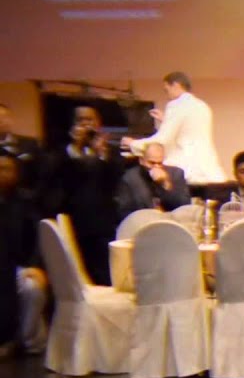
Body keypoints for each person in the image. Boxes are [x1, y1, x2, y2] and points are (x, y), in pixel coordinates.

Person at [47, 106, 122, 286]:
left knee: (105, 276)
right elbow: (55, 177)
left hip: (103, 224)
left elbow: (116, 179)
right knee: (76, 277)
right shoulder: (61, 151)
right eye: (81, 120)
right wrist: (76, 147)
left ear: (99, 124)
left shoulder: (110, 151)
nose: (86, 124)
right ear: (73, 125)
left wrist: (101, 153)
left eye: (90, 120)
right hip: (73, 222)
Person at [122, 72, 225, 196]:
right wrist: (166, 120)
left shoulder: (176, 105)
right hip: (208, 169)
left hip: (185, 170)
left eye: (167, 90)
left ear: (175, 85)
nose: (168, 95)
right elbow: (189, 131)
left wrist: (133, 143)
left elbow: (163, 139)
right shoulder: (202, 106)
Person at [0, 154, 47, 358]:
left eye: (6, 169)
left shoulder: (26, 201)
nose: (1, 174)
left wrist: (35, 265)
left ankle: (22, 339)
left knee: (32, 289)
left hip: (20, 267)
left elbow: (38, 236)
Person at [114, 143, 190, 218]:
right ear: (142, 160)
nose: (156, 167)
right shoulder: (130, 178)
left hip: (171, 222)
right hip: (142, 223)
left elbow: (183, 206)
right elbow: (124, 211)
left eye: (160, 163)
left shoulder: (176, 174)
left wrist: (166, 184)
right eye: (151, 163)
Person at [0, 103, 41, 193]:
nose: (1, 121)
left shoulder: (30, 143)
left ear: (11, 120)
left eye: (4, 117)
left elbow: (41, 173)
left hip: (25, 199)